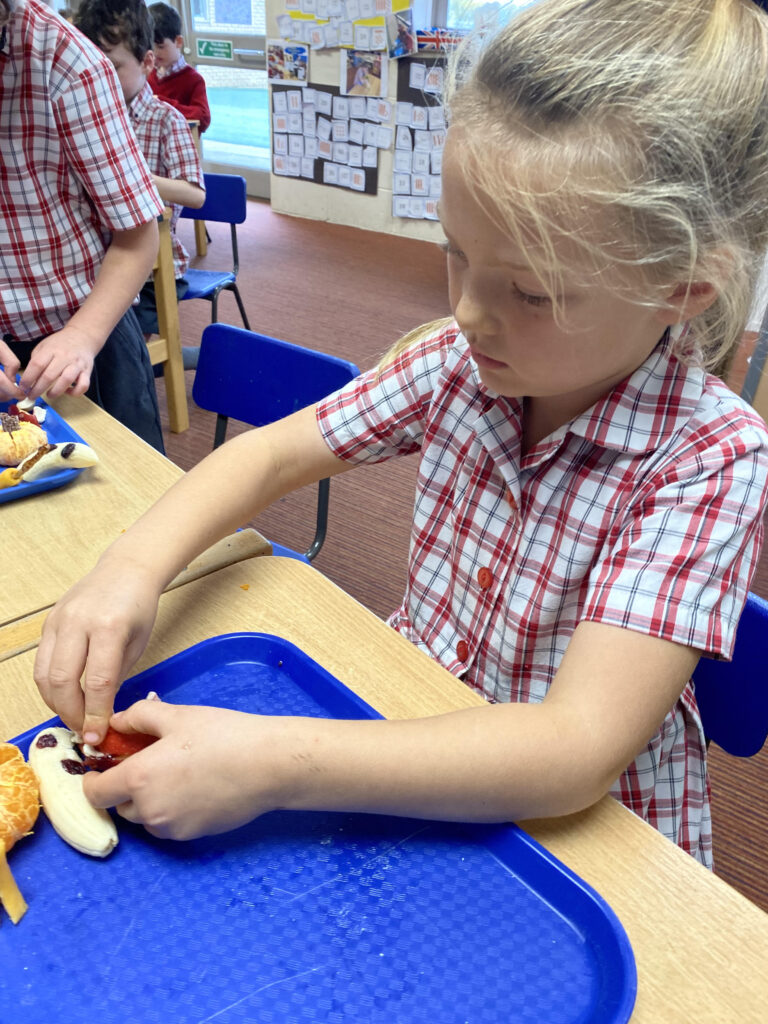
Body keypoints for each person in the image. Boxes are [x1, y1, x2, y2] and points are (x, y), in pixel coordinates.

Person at [34, 0, 768, 868]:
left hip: (584, 842)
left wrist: (269, 765)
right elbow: (268, 453)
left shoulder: (710, 457)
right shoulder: (462, 360)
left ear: (684, 290)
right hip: (408, 733)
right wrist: (130, 568)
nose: (467, 313)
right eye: (455, 252)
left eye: (531, 292)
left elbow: (572, 752)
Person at [0, 0, 165, 452]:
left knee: (131, 498)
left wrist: (82, 336)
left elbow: (138, 235)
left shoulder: (67, 64)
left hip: (84, 331)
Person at [75, 0, 205, 350]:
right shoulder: (85, 117)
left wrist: (133, 175)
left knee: (123, 349)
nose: (100, 78)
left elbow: (195, 195)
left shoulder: (167, 120)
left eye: (113, 67)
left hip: (155, 265)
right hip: (96, 258)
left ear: (148, 62)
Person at [147, 1, 210, 133]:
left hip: (181, 146)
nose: (155, 53)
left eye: (161, 46)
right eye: (150, 47)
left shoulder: (193, 80)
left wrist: (163, 103)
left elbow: (203, 118)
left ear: (178, 42)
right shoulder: (147, 74)